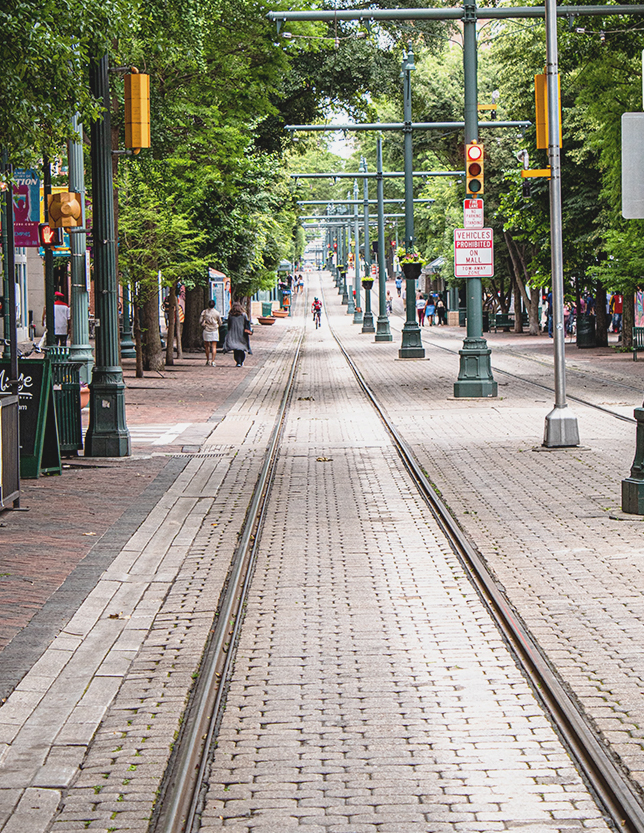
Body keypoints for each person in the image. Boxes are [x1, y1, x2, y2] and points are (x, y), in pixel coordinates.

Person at [223, 302, 252, 367]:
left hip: (233, 334)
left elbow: (229, 324)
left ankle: (238, 361)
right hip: (241, 334)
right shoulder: (244, 315)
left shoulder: (230, 315)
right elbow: (247, 323)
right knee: (241, 348)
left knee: (235, 349)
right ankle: (241, 361)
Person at [199, 299, 222, 366]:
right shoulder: (217, 313)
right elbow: (220, 323)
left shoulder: (204, 312)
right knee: (214, 346)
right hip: (214, 330)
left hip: (206, 330)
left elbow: (200, 321)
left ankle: (207, 360)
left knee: (207, 346)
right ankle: (213, 361)